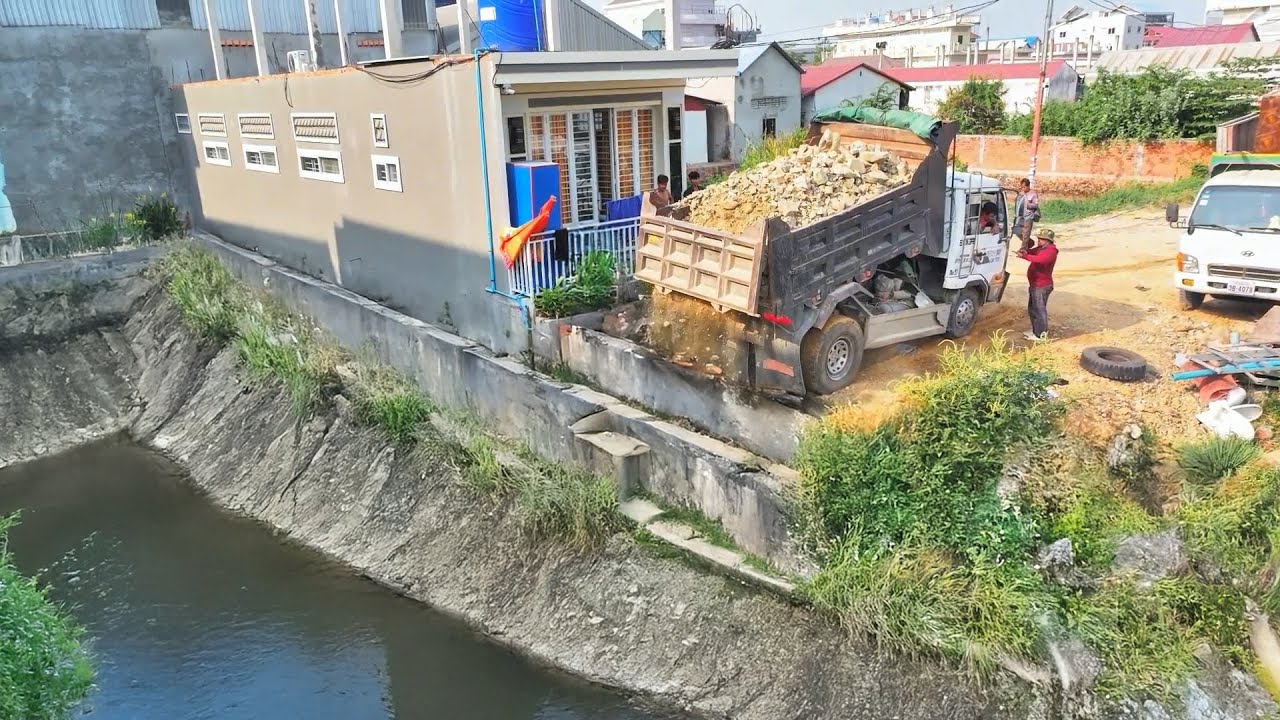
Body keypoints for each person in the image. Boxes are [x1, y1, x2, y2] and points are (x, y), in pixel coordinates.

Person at [1017, 228, 1058, 341]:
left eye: (1041, 239)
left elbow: (1039, 260)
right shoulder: (1042, 248)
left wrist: (1024, 256)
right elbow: (1032, 252)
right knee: (1033, 308)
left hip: (1042, 286)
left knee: (1039, 310)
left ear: (1048, 240)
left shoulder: (1051, 251)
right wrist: (1025, 251)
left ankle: (1041, 335)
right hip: (1036, 284)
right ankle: (1036, 331)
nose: (1038, 241)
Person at [1013, 178, 1041, 251]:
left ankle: (1023, 249)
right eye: (1022, 187)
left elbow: (1035, 205)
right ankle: (1030, 242)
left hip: (1029, 216)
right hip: (1020, 216)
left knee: (1026, 233)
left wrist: (1028, 204)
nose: (1023, 188)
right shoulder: (1022, 194)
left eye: (1024, 187)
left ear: (1028, 186)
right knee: (1017, 231)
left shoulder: (1033, 194)